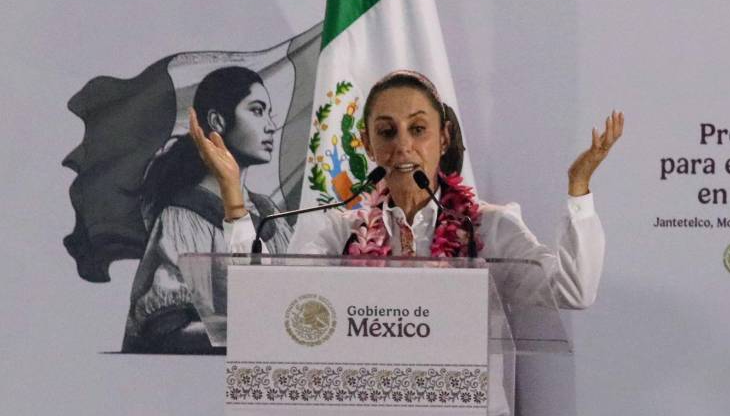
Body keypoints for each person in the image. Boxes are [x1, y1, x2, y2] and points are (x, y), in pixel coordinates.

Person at [191, 70, 623, 309]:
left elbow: (573, 291)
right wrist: (233, 198)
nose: (403, 146)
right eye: (387, 131)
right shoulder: (342, 233)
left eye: (418, 129)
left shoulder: (490, 227)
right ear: (367, 143)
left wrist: (579, 188)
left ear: (444, 138)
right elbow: (268, 302)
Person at [122, 66, 291, 353]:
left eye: (269, 113)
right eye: (257, 111)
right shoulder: (185, 217)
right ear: (217, 121)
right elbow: (165, 329)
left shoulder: (268, 211)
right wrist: (258, 330)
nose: (270, 126)